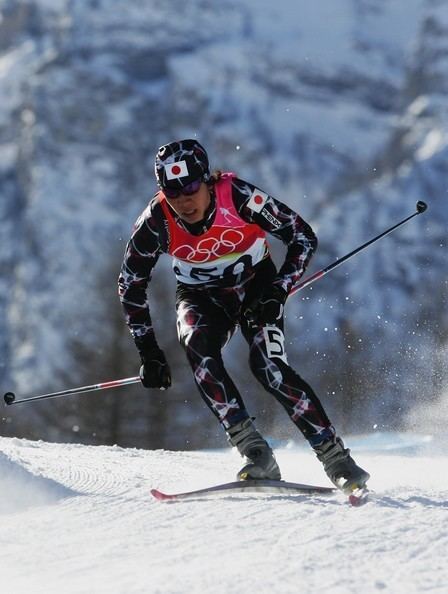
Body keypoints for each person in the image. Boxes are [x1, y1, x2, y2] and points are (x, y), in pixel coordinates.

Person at [118, 139, 370, 493]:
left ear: (207, 180)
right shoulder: (155, 222)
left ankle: (337, 460)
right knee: (198, 349)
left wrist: (278, 288)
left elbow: (302, 235)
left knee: (267, 366)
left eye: (190, 187)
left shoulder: (237, 196)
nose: (184, 201)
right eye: (172, 192)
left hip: (256, 286)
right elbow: (129, 284)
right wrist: (148, 352)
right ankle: (256, 454)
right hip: (201, 296)